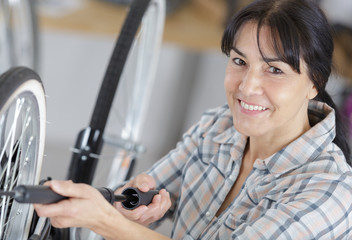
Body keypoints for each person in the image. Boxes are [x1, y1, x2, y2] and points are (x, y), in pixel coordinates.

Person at [34, 0, 352, 239]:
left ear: (315, 82)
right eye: (239, 61)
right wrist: (129, 204)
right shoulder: (218, 127)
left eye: (275, 70)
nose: (247, 86)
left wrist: (104, 220)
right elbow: (146, 195)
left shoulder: (330, 191)